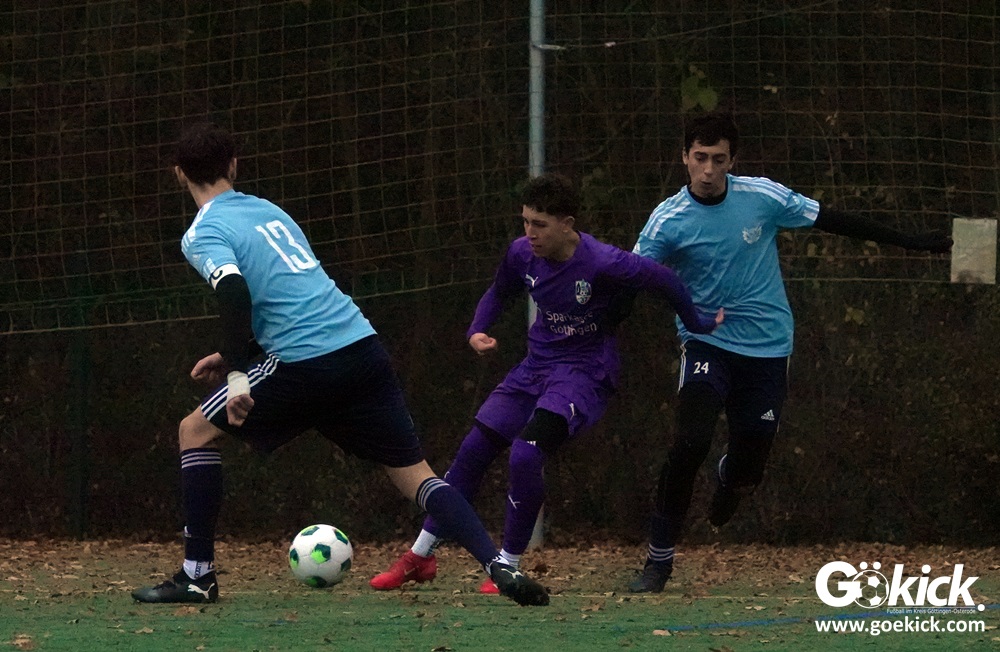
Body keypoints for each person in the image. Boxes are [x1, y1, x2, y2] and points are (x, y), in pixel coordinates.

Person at [131, 122, 549, 607]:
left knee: (194, 431)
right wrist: (234, 353)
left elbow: (233, 289)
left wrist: (239, 373)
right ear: (234, 166)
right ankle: (498, 565)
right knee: (416, 476)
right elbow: (294, 293)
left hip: (303, 363)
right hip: (361, 348)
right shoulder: (269, 211)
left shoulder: (203, 232)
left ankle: (197, 577)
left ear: (179, 174)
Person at [626, 112, 952, 593]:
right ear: (685, 158)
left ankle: (732, 477)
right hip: (706, 341)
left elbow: (833, 220)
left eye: (719, 159)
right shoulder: (667, 220)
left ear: (732, 161)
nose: (709, 169)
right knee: (690, 441)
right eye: (700, 158)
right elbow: (632, 278)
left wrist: (911, 242)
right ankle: (658, 562)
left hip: (767, 347)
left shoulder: (762, 197)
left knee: (750, 465)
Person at [369, 173, 724, 594]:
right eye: (525, 221)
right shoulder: (521, 253)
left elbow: (664, 280)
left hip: (583, 374)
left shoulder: (604, 262)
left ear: (567, 224)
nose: (530, 233)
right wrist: (477, 328)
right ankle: (421, 556)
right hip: (535, 368)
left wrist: (697, 322)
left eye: (539, 224)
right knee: (472, 452)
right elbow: (499, 291)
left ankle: (508, 566)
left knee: (525, 454)